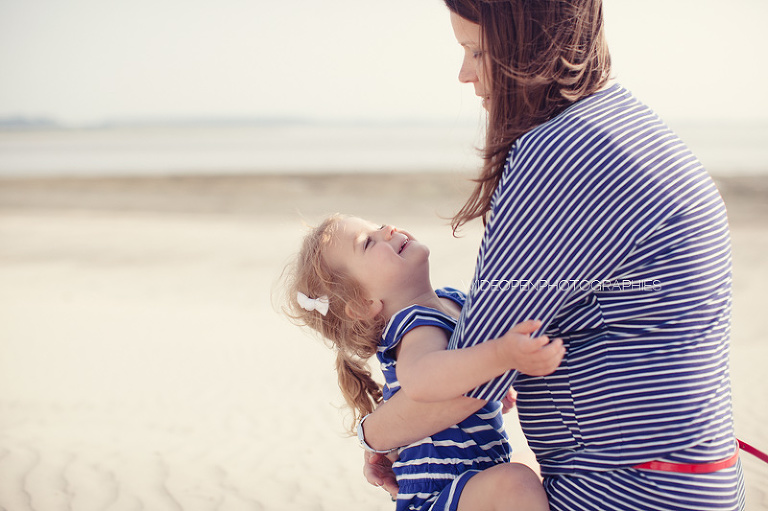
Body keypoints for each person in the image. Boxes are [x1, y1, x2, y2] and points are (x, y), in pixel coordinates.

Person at [360, 1, 747, 510]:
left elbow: (471, 378)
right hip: (692, 478)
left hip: (628, 488)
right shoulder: (628, 124)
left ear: (530, 42)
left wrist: (378, 433)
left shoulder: (558, 155)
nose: (464, 73)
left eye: (476, 50)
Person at [283, 213, 564, 510]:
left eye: (378, 226)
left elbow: (462, 370)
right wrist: (500, 357)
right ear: (363, 304)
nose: (387, 229)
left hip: (473, 479)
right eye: (367, 243)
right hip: (437, 495)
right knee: (516, 481)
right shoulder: (414, 326)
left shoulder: (454, 302)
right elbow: (422, 381)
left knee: (533, 467)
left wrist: (490, 378)